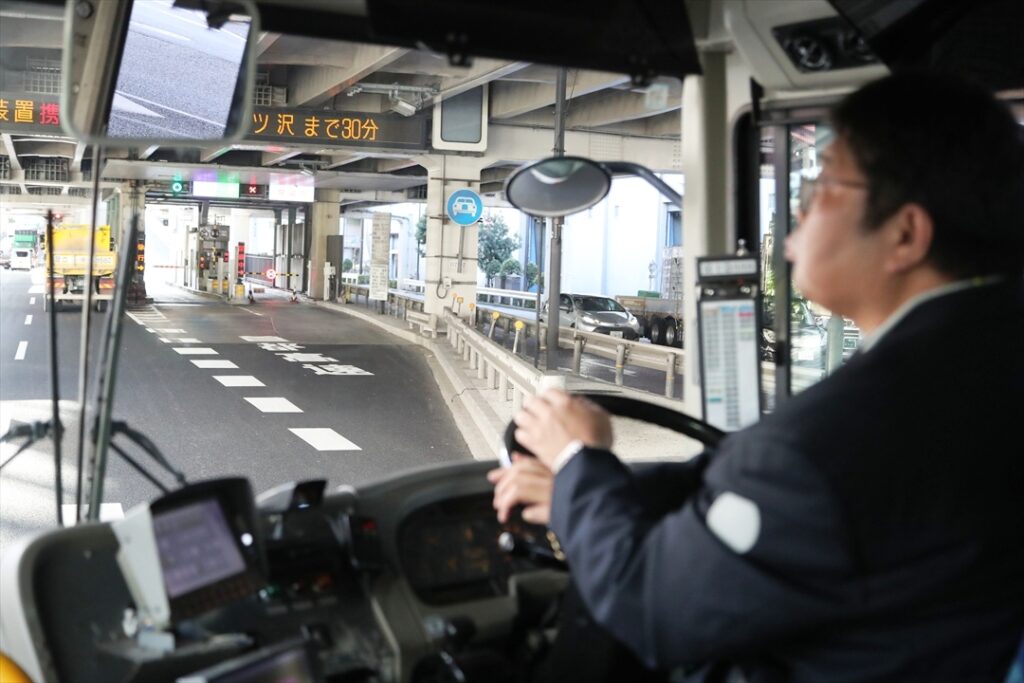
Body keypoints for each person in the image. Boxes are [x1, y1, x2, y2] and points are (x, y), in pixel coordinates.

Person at [489, 71, 1024, 682]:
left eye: (822, 186)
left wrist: (578, 457)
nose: (798, 209)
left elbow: (651, 607)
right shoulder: (983, 358)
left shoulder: (832, 440)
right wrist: (586, 491)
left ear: (905, 234)